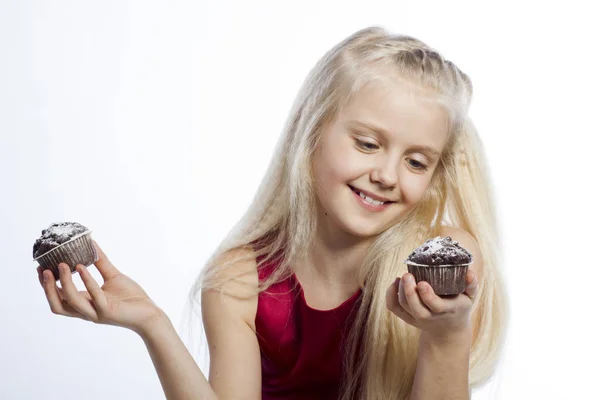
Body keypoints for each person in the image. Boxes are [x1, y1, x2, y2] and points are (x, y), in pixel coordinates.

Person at [37, 26, 509, 400]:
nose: (387, 174)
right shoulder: (242, 280)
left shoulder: (440, 264)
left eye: (415, 161)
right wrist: (152, 323)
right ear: (313, 133)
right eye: (367, 143)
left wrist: (447, 334)